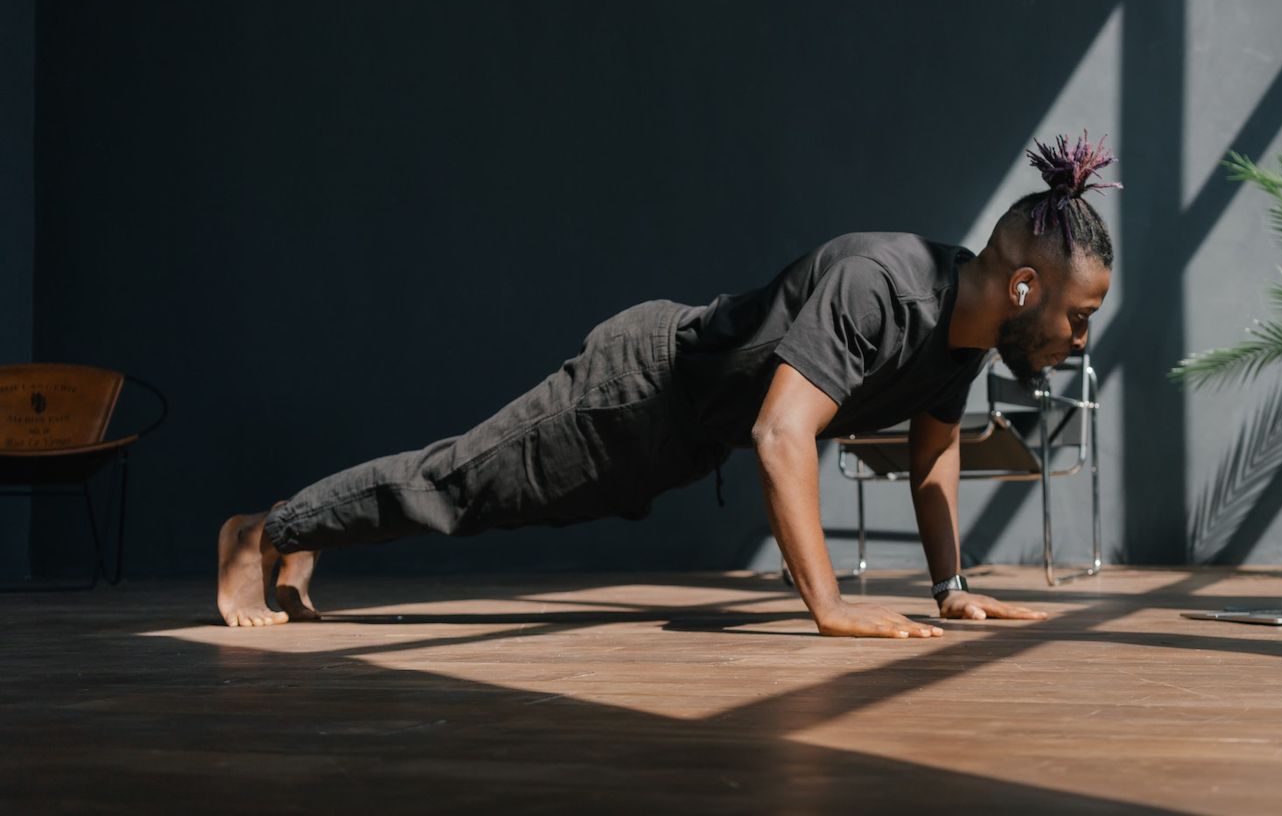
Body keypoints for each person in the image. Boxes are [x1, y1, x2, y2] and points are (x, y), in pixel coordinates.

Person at [216, 131, 1118, 638]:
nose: (1079, 340)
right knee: (457, 488)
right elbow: (779, 435)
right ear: (1025, 288)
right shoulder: (881, 286)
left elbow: (933, 455)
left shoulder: (964, 337)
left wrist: (949, 584)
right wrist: (831, 610)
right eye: (1079, 317)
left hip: (681, 439)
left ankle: (305, 535)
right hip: (633, 389)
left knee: (485, 501)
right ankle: (264, 532)